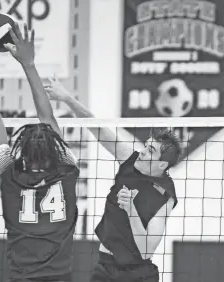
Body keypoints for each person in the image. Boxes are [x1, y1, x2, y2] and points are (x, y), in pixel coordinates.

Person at [0, 24, 79, 282]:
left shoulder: (9, 173)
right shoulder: (67, 169)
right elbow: (47, 117)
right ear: (55, 149)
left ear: (21, 152)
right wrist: (29, 64)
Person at [44, 78, 181, 282]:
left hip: (138, 274)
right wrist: (66, 98)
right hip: (105, 267)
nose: (142, 151)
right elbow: (96, 127)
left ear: (162, 165)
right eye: (146, 145)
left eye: (150, 151)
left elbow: (146, 250)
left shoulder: (166, 196)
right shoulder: (130, 159)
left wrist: (131, 210)